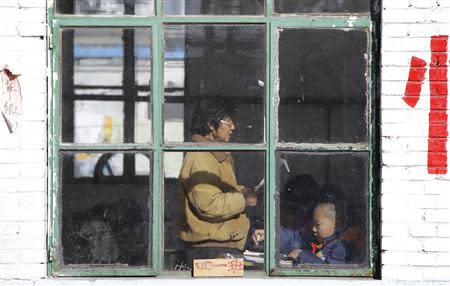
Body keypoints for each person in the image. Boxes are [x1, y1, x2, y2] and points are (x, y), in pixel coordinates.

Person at [177, 97, 256, 267]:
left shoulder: (216, 155)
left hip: (219, 247)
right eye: (228, 123)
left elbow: (216, 189)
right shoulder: (201, 157)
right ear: (210, 125)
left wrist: (241, 191)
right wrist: (244, 200)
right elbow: (209, 205)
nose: (233, 127)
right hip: (211, 252)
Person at [287, 199, 346, 264]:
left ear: (336, 225)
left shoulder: (337, 248)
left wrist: (301, 255)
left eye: (317, 225)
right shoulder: (315, 241)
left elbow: (330, 271)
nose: (313, 229)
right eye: (313, 224)